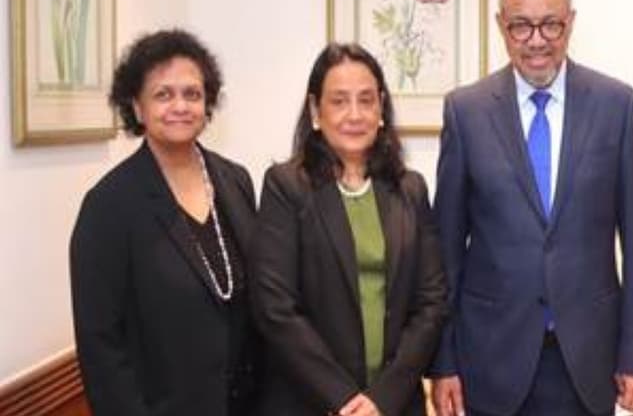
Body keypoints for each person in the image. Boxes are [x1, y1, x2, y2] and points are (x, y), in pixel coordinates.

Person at [429, 0, 633, 416]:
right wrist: (443, 361)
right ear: (501, 25)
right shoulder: (466, 111)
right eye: (521, 26)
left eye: (550, 24)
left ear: (570, 22)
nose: (536, 41)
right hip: (490, 360)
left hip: (588, 361)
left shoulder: (617, 106)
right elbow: (445, 251)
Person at [252, 43, 448, 416]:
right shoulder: (286, 187)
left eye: (366, 100)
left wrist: (382, 399)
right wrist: (341, 398)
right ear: (315, 111)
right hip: (312, 402)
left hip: (394, 404)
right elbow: (275, 307)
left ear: (381, 109)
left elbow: (431, 302)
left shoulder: (410, 190)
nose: (354, 114)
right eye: (339, 101)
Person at [71, 29, 259, 416]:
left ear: (207, 103)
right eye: (163, 95)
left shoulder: (235, 181)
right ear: (137, 107)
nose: (180, 106)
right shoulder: (108, 205)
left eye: (192, 94)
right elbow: (100, 347)